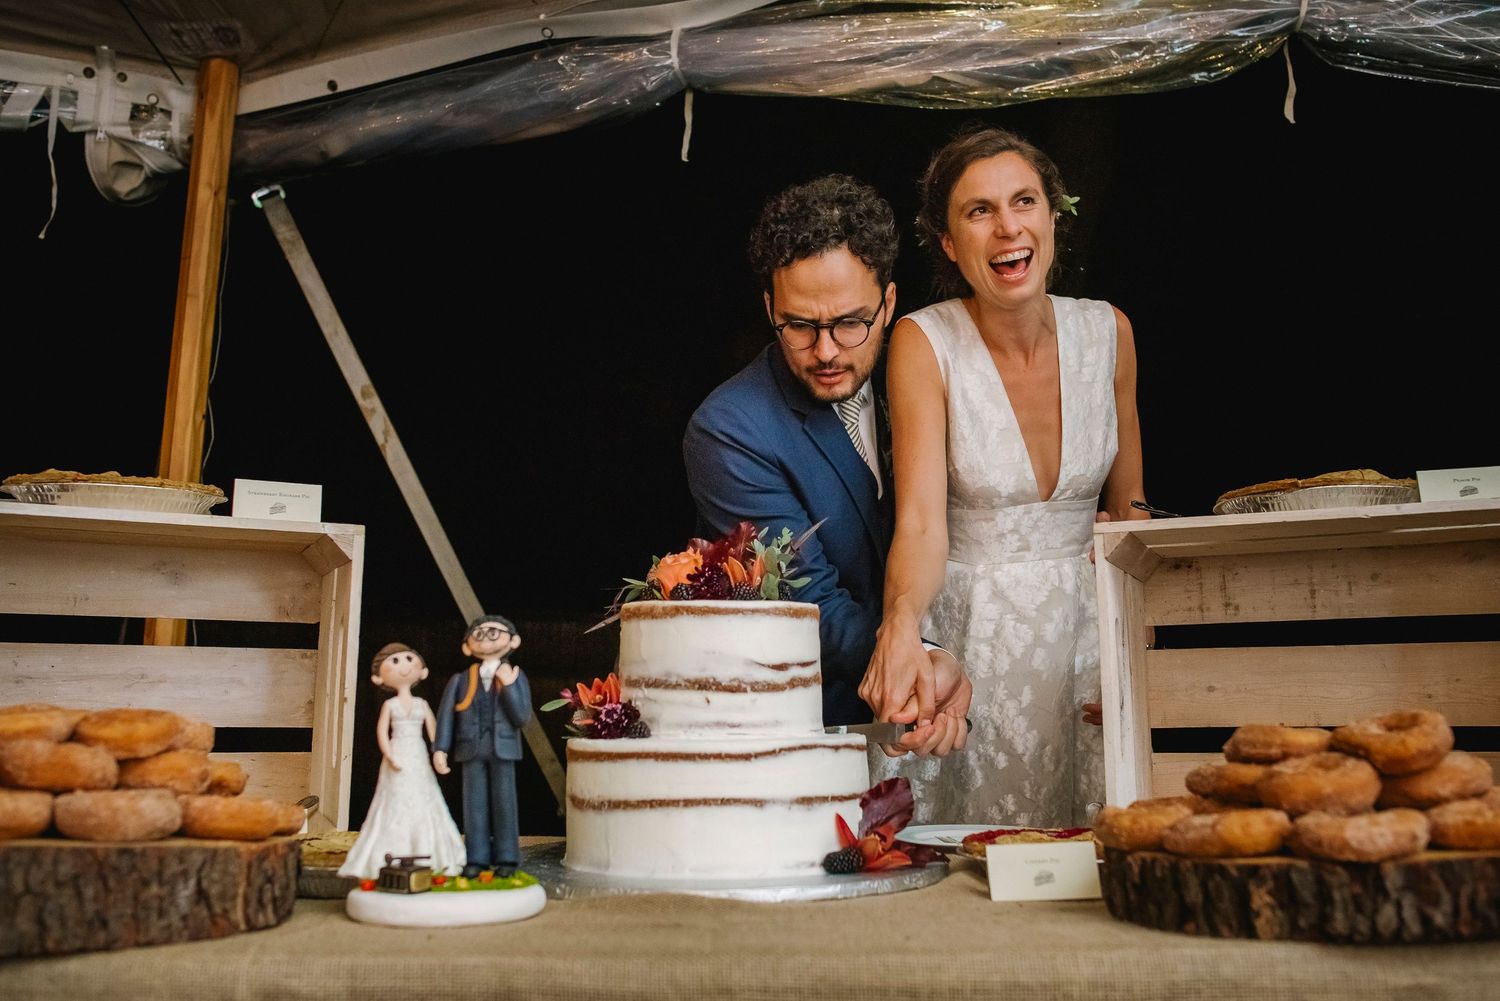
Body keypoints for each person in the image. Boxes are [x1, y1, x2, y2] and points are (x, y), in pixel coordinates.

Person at [862, 125, 1148, 826]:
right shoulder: (922, 342)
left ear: (1053, 215)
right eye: (979, 211)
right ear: (949, 242)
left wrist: (1137, 656)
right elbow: (921, 523)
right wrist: (901, 627)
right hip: (974, 646)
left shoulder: (1111, 332)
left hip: (1090, 646)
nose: (1007, 227)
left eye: (1024, 201)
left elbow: (1133, 514)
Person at [684, 173, 970, 756]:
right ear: (770, 307)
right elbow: (810, 606)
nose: (827, 351)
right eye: (799, 325)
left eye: (850, 322)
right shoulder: (729, 430)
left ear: (889, 304)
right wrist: (931, 662)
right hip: (827, 741)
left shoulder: (929, 374)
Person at [338, 642, 467, 880]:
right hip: (397, 751)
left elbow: (434, 731)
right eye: (395, 661)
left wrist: (439, 751)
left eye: (409, 659)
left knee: (423, 793)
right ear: (378, 677)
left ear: (423, 671)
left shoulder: (421, 704)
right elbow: (382, 732)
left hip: (417, 753)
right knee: (395, 796)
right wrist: (389, 754)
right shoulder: (390, 705)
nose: (404, 666)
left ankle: (429, 851)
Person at [433, 615, 532, 877]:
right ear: (467, 647)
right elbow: (446, 716)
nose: (487, 638)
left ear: (514, 641)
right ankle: (476, 858)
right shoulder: (461, 680)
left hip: (504, 748)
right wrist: (440, 747)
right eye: (479, 634)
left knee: (505, 804)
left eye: (494, 633)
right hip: (470, 748)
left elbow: (522, 717)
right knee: (474, 805)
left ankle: (507, 859)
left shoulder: (515, 676)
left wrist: (508, 684)